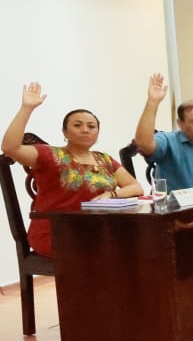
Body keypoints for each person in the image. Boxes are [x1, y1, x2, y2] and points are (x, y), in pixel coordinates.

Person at [3, 83, 143, 256]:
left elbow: (136, 187)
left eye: (91, 126)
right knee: (118, 248)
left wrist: (111, 194)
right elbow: (10, 147)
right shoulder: (49, 154)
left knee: (144, 240)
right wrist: (27, 108)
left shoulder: (104, 159)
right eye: (77, 125)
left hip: (98, 229)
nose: (85, 130)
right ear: (65, 132)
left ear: (98, 133)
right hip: (57, 232)